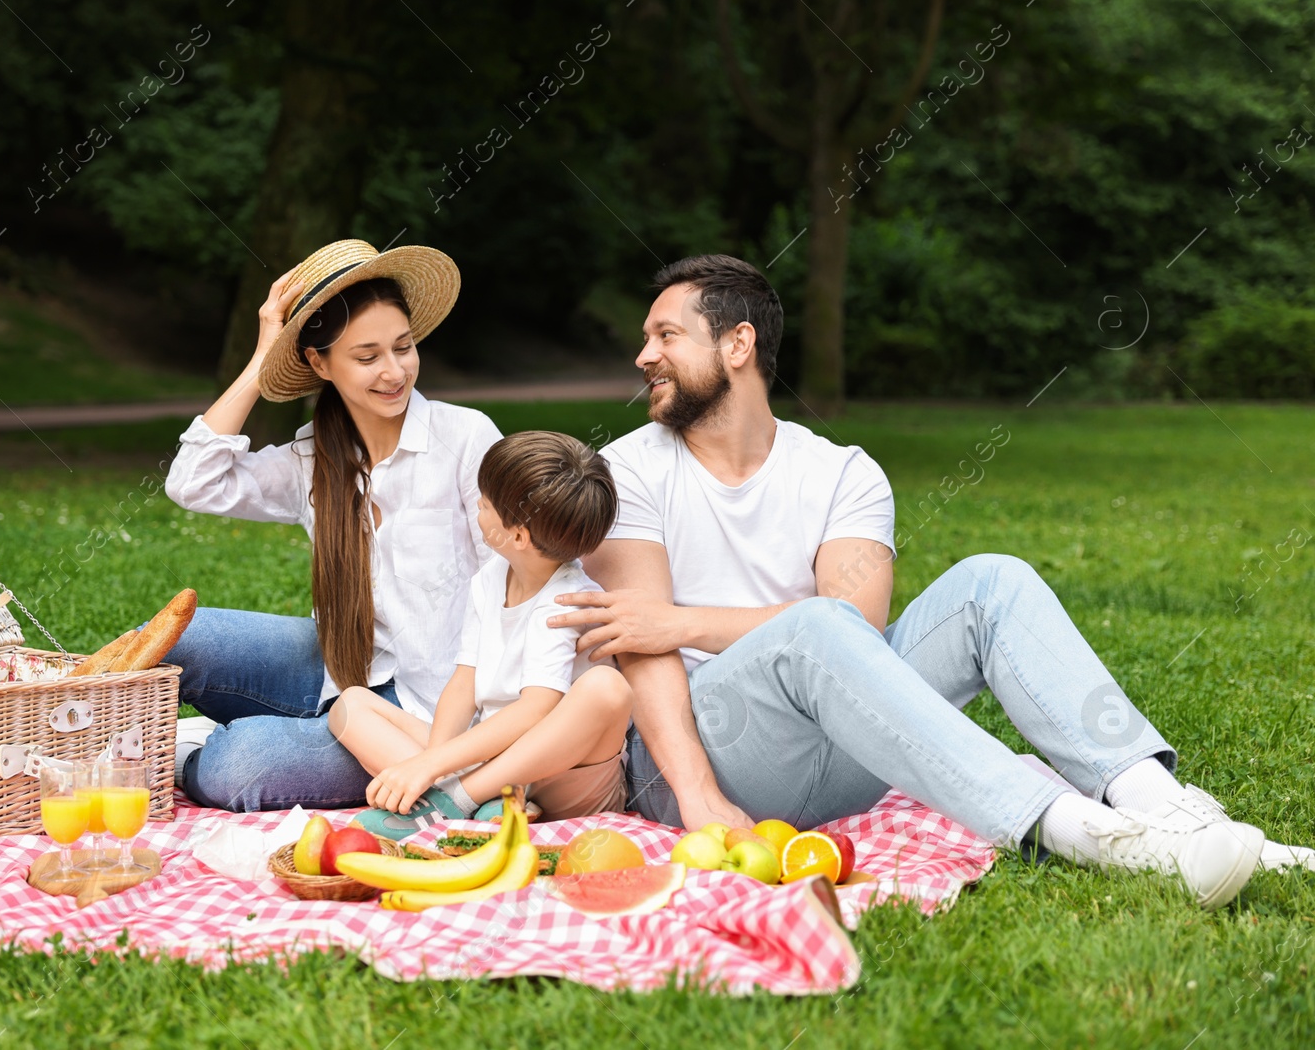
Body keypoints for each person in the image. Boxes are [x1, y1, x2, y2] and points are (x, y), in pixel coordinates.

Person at [552, 253, 1308, 910]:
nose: (643, 355)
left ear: (738, 343)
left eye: (665, 335)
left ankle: (1166, 808)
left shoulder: (843, 472)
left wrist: (683, 622)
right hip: (694, 749)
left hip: (842, 742)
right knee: (814, 628)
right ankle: (1091, 836)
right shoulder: (628, 470)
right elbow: (640, 646)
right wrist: (696, 795)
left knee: (992, 581)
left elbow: (849, 623)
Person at [162, 239, 501, 811]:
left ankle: (195, 753)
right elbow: (193, 480)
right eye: (367, 357)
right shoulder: (310, 459)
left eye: (404, 347)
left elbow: (511, 588)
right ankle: (289, 726)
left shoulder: (466, 439)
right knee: (179, 638)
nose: (395, 372)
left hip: (431, 711)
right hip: (340, 669)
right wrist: (263, 357)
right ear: (320, 363)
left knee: (237, 766)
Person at [328, 431, 634, 839]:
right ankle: (479, 802)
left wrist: (431, 769)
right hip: (491, 759)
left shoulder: (564, 602)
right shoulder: (492, 576)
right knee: (349, 705)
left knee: (607, 687)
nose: (477, 506)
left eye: (486, 505)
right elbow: (465, 679)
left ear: (519, 537)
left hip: (562, 781)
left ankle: (455, 799)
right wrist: (435, 758)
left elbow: (535, 710)